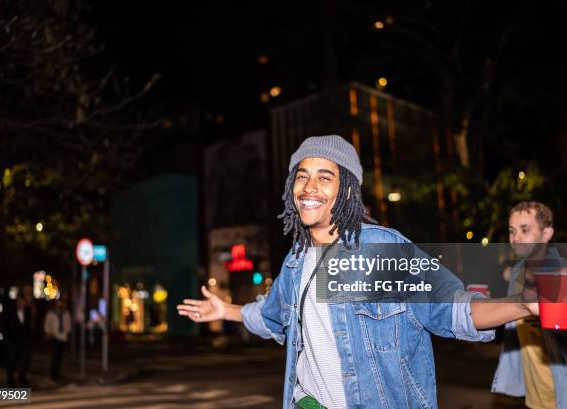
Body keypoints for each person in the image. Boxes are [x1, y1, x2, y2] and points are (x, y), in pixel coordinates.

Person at [178, 135, 540, 409]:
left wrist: (523, 305)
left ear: (348, 190)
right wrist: (226, 310)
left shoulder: (382, 249)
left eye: (325, 177)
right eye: (301, 176)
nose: (310, 187)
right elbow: (272, 316)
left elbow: (453, 309)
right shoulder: (295, 260)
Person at [492, 201, 567, 409]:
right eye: (512, 231)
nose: (516, 238)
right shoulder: (517, 271)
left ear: (546, 234)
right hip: (534, 397)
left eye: (525, 230)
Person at [2, 293, 33, 387]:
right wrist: (6, 339)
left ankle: (21, 376)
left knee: (25, 359)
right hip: (12, 340)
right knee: (11, 360)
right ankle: (11, 380)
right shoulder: (9, 312)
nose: (20, 303)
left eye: (22, 301)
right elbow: (5, 326)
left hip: (23, 340)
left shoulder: (28, 312)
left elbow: (28, 326)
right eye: (18, 301)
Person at [44, 299, 72, 381]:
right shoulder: (51, 313)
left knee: (60, 357)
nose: (59, 305)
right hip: (54, 336)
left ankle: (57, 373)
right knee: (54, 356)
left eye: (61, 303)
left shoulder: (66, 313)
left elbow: (68, 324)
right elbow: (47, 324)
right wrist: (48, 332)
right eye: (58, 303)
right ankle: (53, 374)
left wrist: (67, 332)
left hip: (63, 337)